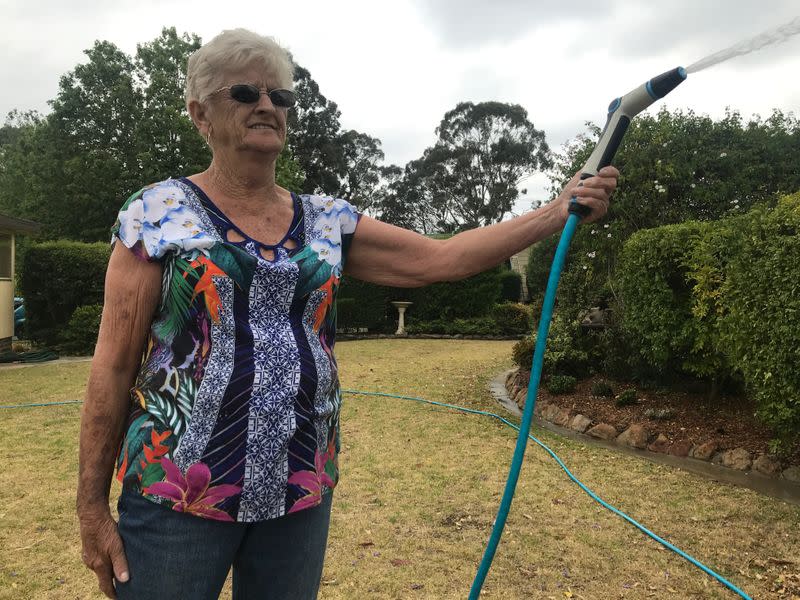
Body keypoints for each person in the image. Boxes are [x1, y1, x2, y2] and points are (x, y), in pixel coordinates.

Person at [76, 28, 618, 600]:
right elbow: (112, 366)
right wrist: (91, 507)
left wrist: (556, 211)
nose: (267, 105)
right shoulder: (156, 214)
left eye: (280, 96)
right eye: (244, 93)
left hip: (299, 486)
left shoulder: (327, 220)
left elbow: (443, 256)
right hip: (177, 494)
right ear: (200, 114)